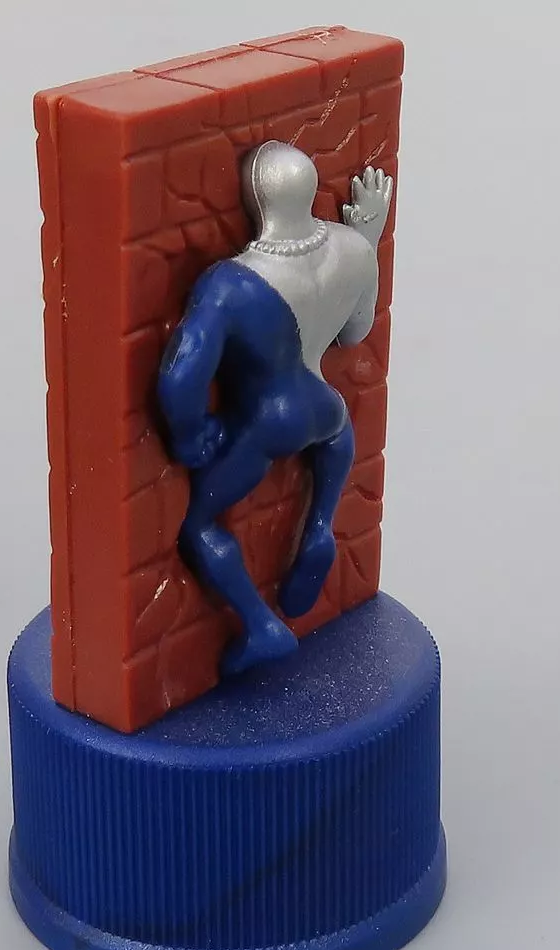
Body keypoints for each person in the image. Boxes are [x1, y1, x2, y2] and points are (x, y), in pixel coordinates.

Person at [158, 141, 393, 674]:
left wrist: (189, 434)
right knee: (333, 438)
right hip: (329, 413)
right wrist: (370, 240)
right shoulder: (352, 248)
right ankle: (320, 527)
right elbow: (355, 334)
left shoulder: (228, 284)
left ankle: (261, 627)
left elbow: (182, 372)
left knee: (200, 524)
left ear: (256, 197)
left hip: (269, 421)